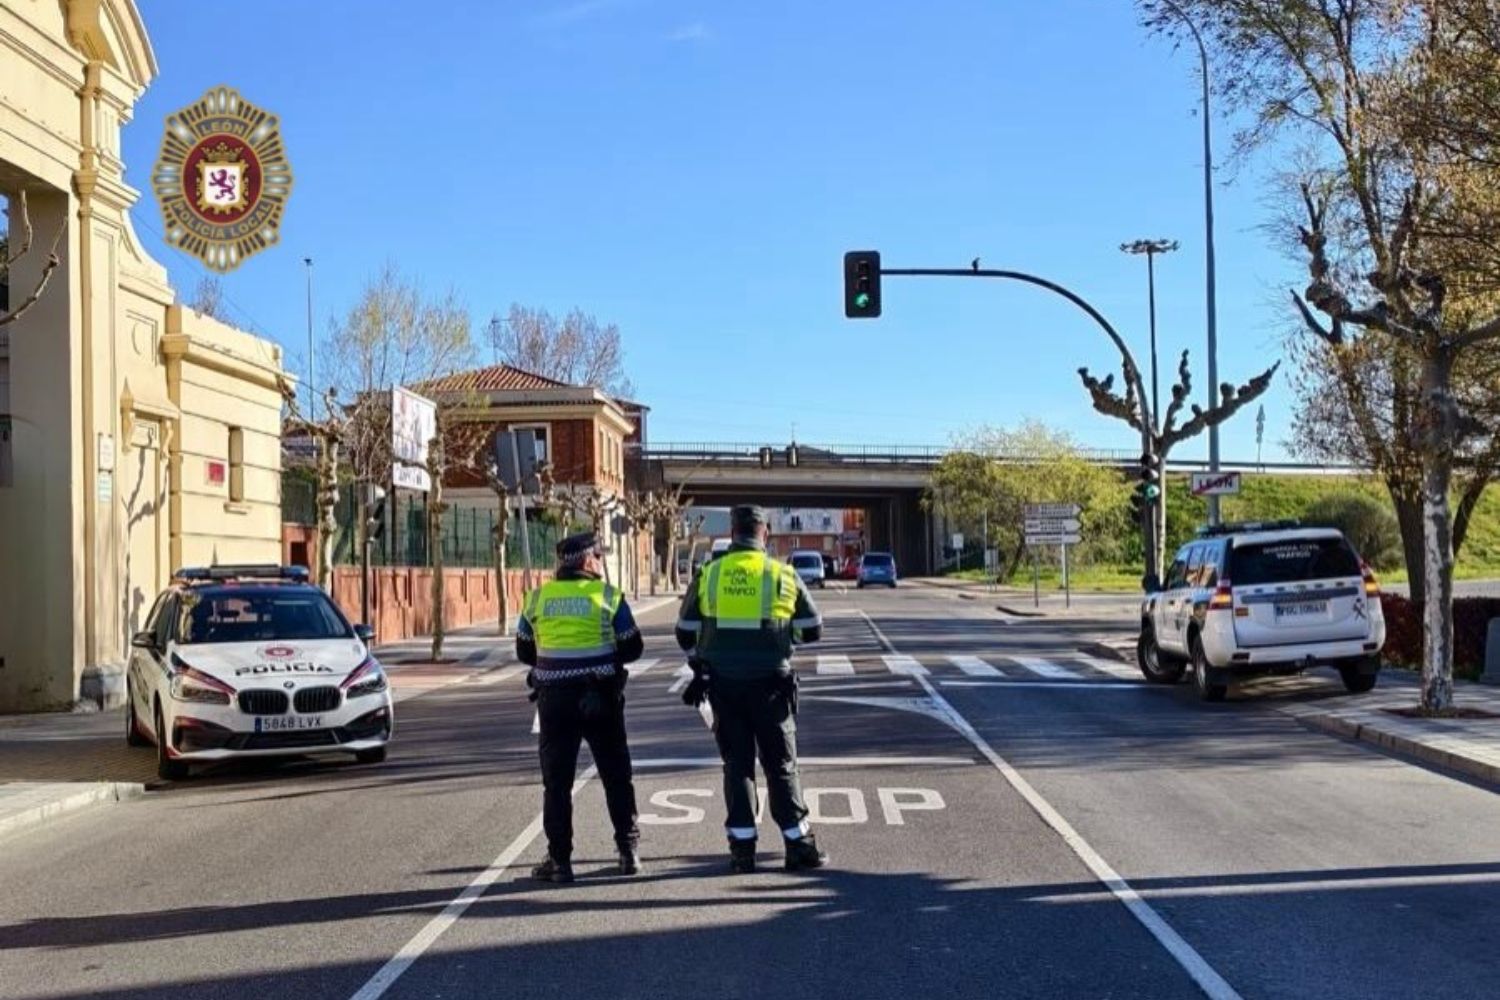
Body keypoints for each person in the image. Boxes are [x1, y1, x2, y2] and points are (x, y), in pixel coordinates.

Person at [675, 505, 829, 874]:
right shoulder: (782, 574)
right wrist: (780, 639)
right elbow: (811, 629)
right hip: (771, 687)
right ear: (765, 533)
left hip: (723, 687)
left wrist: (708, 654)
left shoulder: (710, 574)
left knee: (737, 765)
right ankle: (797, 845)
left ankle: (742, 851)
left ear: (733, 530)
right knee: (780, 765)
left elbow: (684, 632)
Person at [517, 532, 643, 883]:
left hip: (554, 700)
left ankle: (559, 862)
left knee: (556, 783)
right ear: (588, 561)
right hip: (600, 696)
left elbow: (524, 650)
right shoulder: (608, 597)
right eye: (599, 556)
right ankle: (628, 852)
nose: (601, 562)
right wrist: (605, 662)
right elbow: (633, 647)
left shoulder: (537, 599)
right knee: (617, 776)